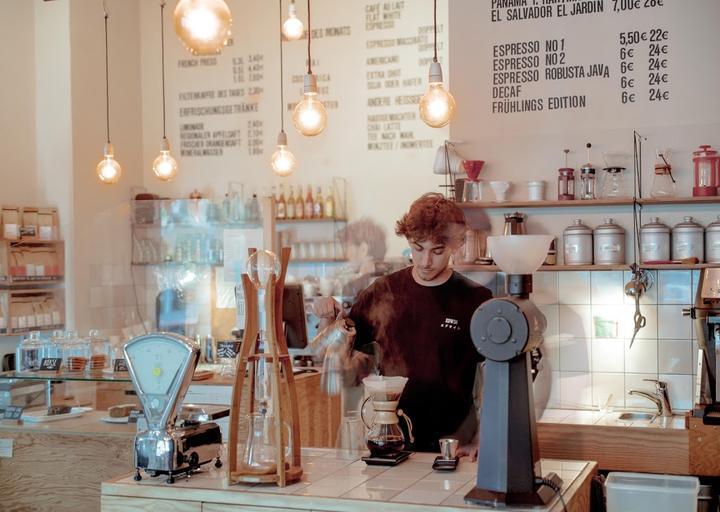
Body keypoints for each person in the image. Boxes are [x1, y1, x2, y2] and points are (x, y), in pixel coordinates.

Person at [314, 192, 492, 457]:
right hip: (389, 440)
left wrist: (482, 438)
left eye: (437, 251)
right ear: (408, 240)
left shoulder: (475, 299)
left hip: (454, 446)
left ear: (456, 245)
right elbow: (332, 351)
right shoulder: (383, 291)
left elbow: (497, 378)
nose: (425, 261)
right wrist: (327, 316)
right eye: (418, 248)